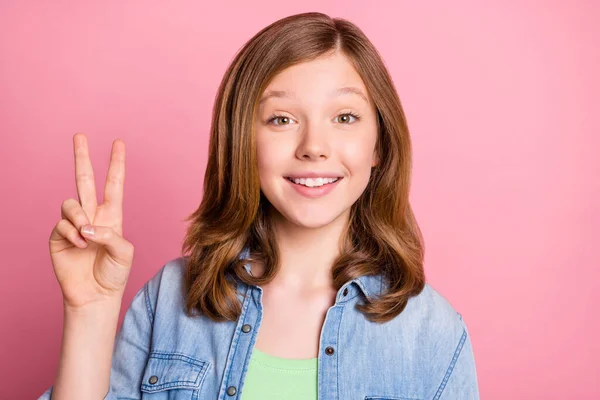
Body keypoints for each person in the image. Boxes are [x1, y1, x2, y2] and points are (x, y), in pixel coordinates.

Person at [38, 11, 480, 400]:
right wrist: (89, 311)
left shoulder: (432, 334)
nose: (314, 147)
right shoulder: (169, 301)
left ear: (378, 144)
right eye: (282, 119)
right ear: (243, 142)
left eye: (344, 117)